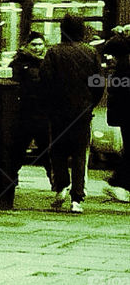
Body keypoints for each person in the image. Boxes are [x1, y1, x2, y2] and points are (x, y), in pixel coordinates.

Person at [39, 13, 102, 214]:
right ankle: (77, 198)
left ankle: (62, 185)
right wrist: (90, 103)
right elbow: (98, 83)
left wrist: (50, 104)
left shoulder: (53, 52)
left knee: (57, 151)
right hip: (82, 112)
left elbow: (45, 80)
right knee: (79, 155)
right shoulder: (90, 52)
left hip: (58, 112)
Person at [11, 32, 49, 178]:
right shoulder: (18, 63)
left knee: (47, 151)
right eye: (34, 44)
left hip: (42, 114)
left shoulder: (48, 62)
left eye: (40, 44)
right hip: (24, 114)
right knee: (18, 151)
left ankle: (59, 185)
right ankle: (9, 180)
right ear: (27, 45)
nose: (37, 47)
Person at [101, 25, 130, 204]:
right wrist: (122, 34)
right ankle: (117, 183)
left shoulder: (122, 63)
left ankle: (120, 183)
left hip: (123, 112)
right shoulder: (125, 62)